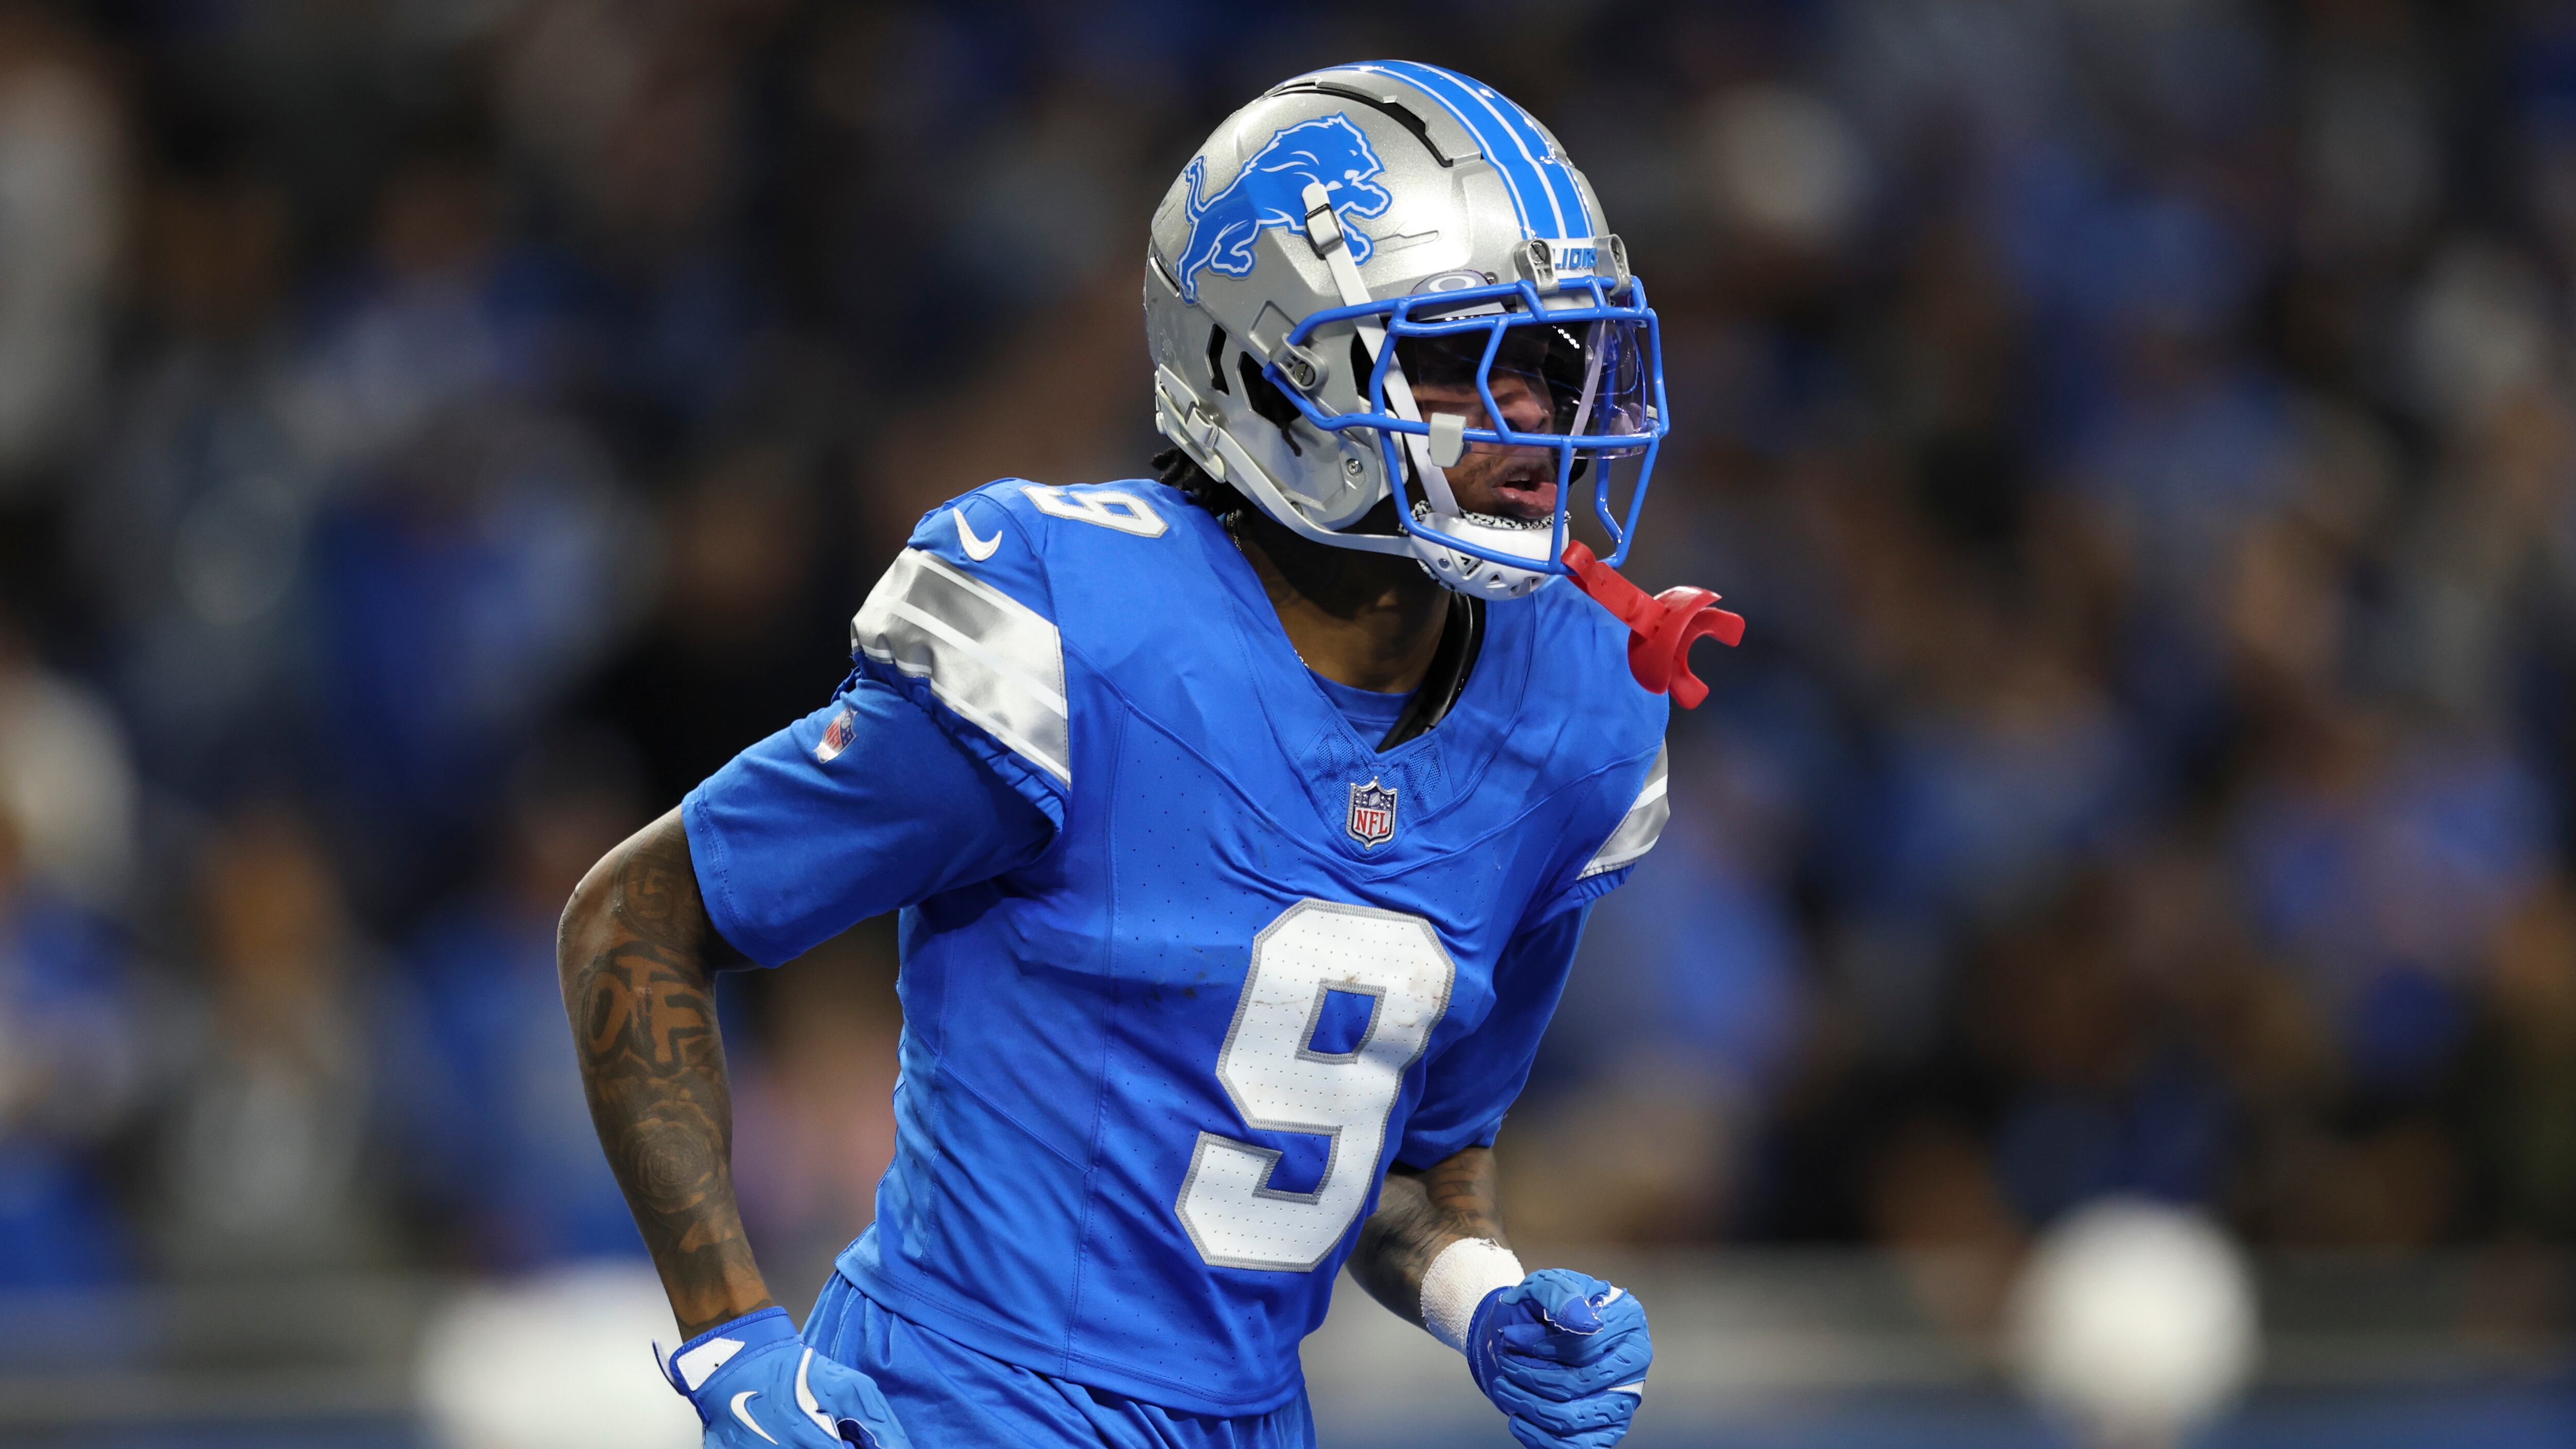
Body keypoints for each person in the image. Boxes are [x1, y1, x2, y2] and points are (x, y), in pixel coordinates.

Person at [561, 61, 1733, 1449]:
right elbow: (636, 919)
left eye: (1549, 358)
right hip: (959, 1409)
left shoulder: (1576, 711)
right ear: (1269, 373)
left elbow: (1391, 1156)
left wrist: (1478, 1292)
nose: (1529, 411)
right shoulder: (1080, 627)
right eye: (1457, 354)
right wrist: (733, 1338)